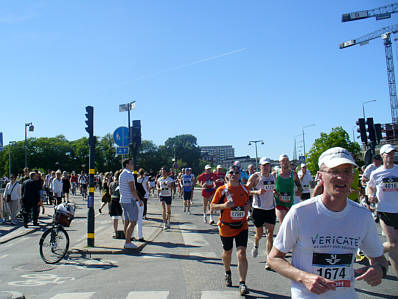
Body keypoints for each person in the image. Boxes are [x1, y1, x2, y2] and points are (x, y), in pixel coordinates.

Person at [268, 147, 388, 298]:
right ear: (320, 176)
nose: (341, 177)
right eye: (334, 171)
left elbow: (380, 259)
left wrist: (379, 270)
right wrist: (304, 278)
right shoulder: (300, 213)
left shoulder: (362, 216)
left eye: (347, 171)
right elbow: (274, 258)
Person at [210, 164, 251, 296]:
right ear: (228, 175)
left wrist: (248, 207)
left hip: (241, 226)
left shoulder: (244, 189)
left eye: (236, 173)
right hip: (226, 227)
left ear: (240, 176)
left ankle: (242, 283)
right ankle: (227, 272)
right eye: (231, 173)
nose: (234, 175)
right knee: (227, 253)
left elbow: (248, 203)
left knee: (242, 253)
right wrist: (224, 205)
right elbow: (212, 207)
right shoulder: (221, 190)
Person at [367, 144, 398, 278]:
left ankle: (375, 251)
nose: (391, 156)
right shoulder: (376, 173)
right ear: (382, 156)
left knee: (395, 248)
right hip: (385, 209)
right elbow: (370, 187)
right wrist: (370, 195)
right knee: (393, 244)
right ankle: (373, 252)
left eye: (392, 153)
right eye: (388, 154)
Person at [246, 157, 276, 270]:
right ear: (260, 166)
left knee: (270, 234)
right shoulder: (255, 177)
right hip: (258, 209)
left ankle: (269, 259)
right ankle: (256, 244)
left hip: (270, 209)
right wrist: (256, 192)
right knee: (259, 234)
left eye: (268, 165)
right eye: (264, 165)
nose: (266, 167)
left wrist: (275, 192)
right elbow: (246, 190)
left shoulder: (273, 176)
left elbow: (274, 188)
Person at [119, 159, 143, 249]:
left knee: (126, 221)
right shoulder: (129, 174)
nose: (133, 165)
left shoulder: (122, 174)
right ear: (127, 165)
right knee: (133, 221)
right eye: (131, 163)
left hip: (123, 200)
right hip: (129, 200)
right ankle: (128, 242)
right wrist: (139, 200)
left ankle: (127, 239)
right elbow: (132, 189)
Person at [273, 154, 302, 223]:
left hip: (291, 203)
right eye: (283, 161)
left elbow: (299, 185)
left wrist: (299, 190)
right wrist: (273, 192)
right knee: (283, 224)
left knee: (291, 225)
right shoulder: (275, 174)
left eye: (287, 160)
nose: (285, 162)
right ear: (280, 162)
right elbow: (270, 186)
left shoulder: (293, 174)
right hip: (279, 203)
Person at [109, 170, 123, 238]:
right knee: (124, 217)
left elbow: (110, 193)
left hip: (112, 200)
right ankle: (126, 231)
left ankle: (115, 232)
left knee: (115, 218)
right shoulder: (121, 183)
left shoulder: (111, 183)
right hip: (120, 200)